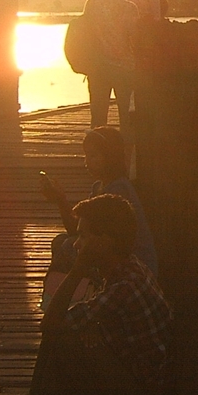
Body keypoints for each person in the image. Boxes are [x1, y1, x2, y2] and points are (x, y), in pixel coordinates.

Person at [23, 194, 173, 395]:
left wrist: (77, 270)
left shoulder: (125, 285)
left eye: (84, 236)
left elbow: (49, 324)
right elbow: (95, 311)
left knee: (60, 339)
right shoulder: (128, 266)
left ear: (106, 241)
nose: (76, 245)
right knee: (72, 331)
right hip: (144, 391)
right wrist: (92, 324)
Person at [39, 127, 157, 315]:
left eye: (93, 156)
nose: (87, 162)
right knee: (62, 241)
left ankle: (56, 304)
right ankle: (61, 299)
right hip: (114, 253)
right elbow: (79, 232)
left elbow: (87, 240)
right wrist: (60, 200)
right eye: (86, 156)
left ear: (110, 157)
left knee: (68, 246)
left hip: (134, 261)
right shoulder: (99, 187)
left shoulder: (118, 191)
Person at [68, 0, 139, 129]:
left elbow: (84, 33)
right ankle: (125, 150)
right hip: (125, 69)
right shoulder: (130, 8)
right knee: (126, 116)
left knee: (98, 116)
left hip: (97, 67)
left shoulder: (92, 5)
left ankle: (98, 145)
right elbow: (135, 39)